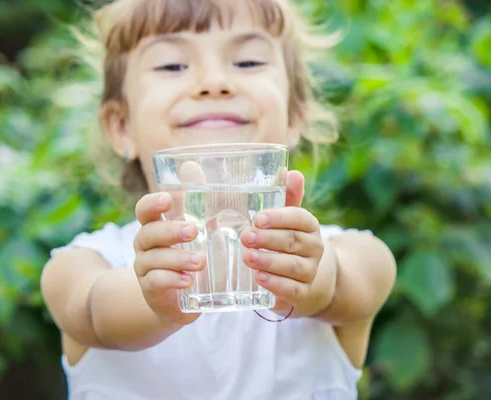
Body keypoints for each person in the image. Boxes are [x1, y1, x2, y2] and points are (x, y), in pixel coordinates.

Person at [41, 0, 397, 399]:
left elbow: (347, 286)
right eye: (172, 65)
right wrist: (158, 302)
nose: (213, 82)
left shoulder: (355, 255)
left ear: (295, 114)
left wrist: (305, 277)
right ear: (121, 126)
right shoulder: (82, 266)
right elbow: (95, 312)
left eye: (247, 62)